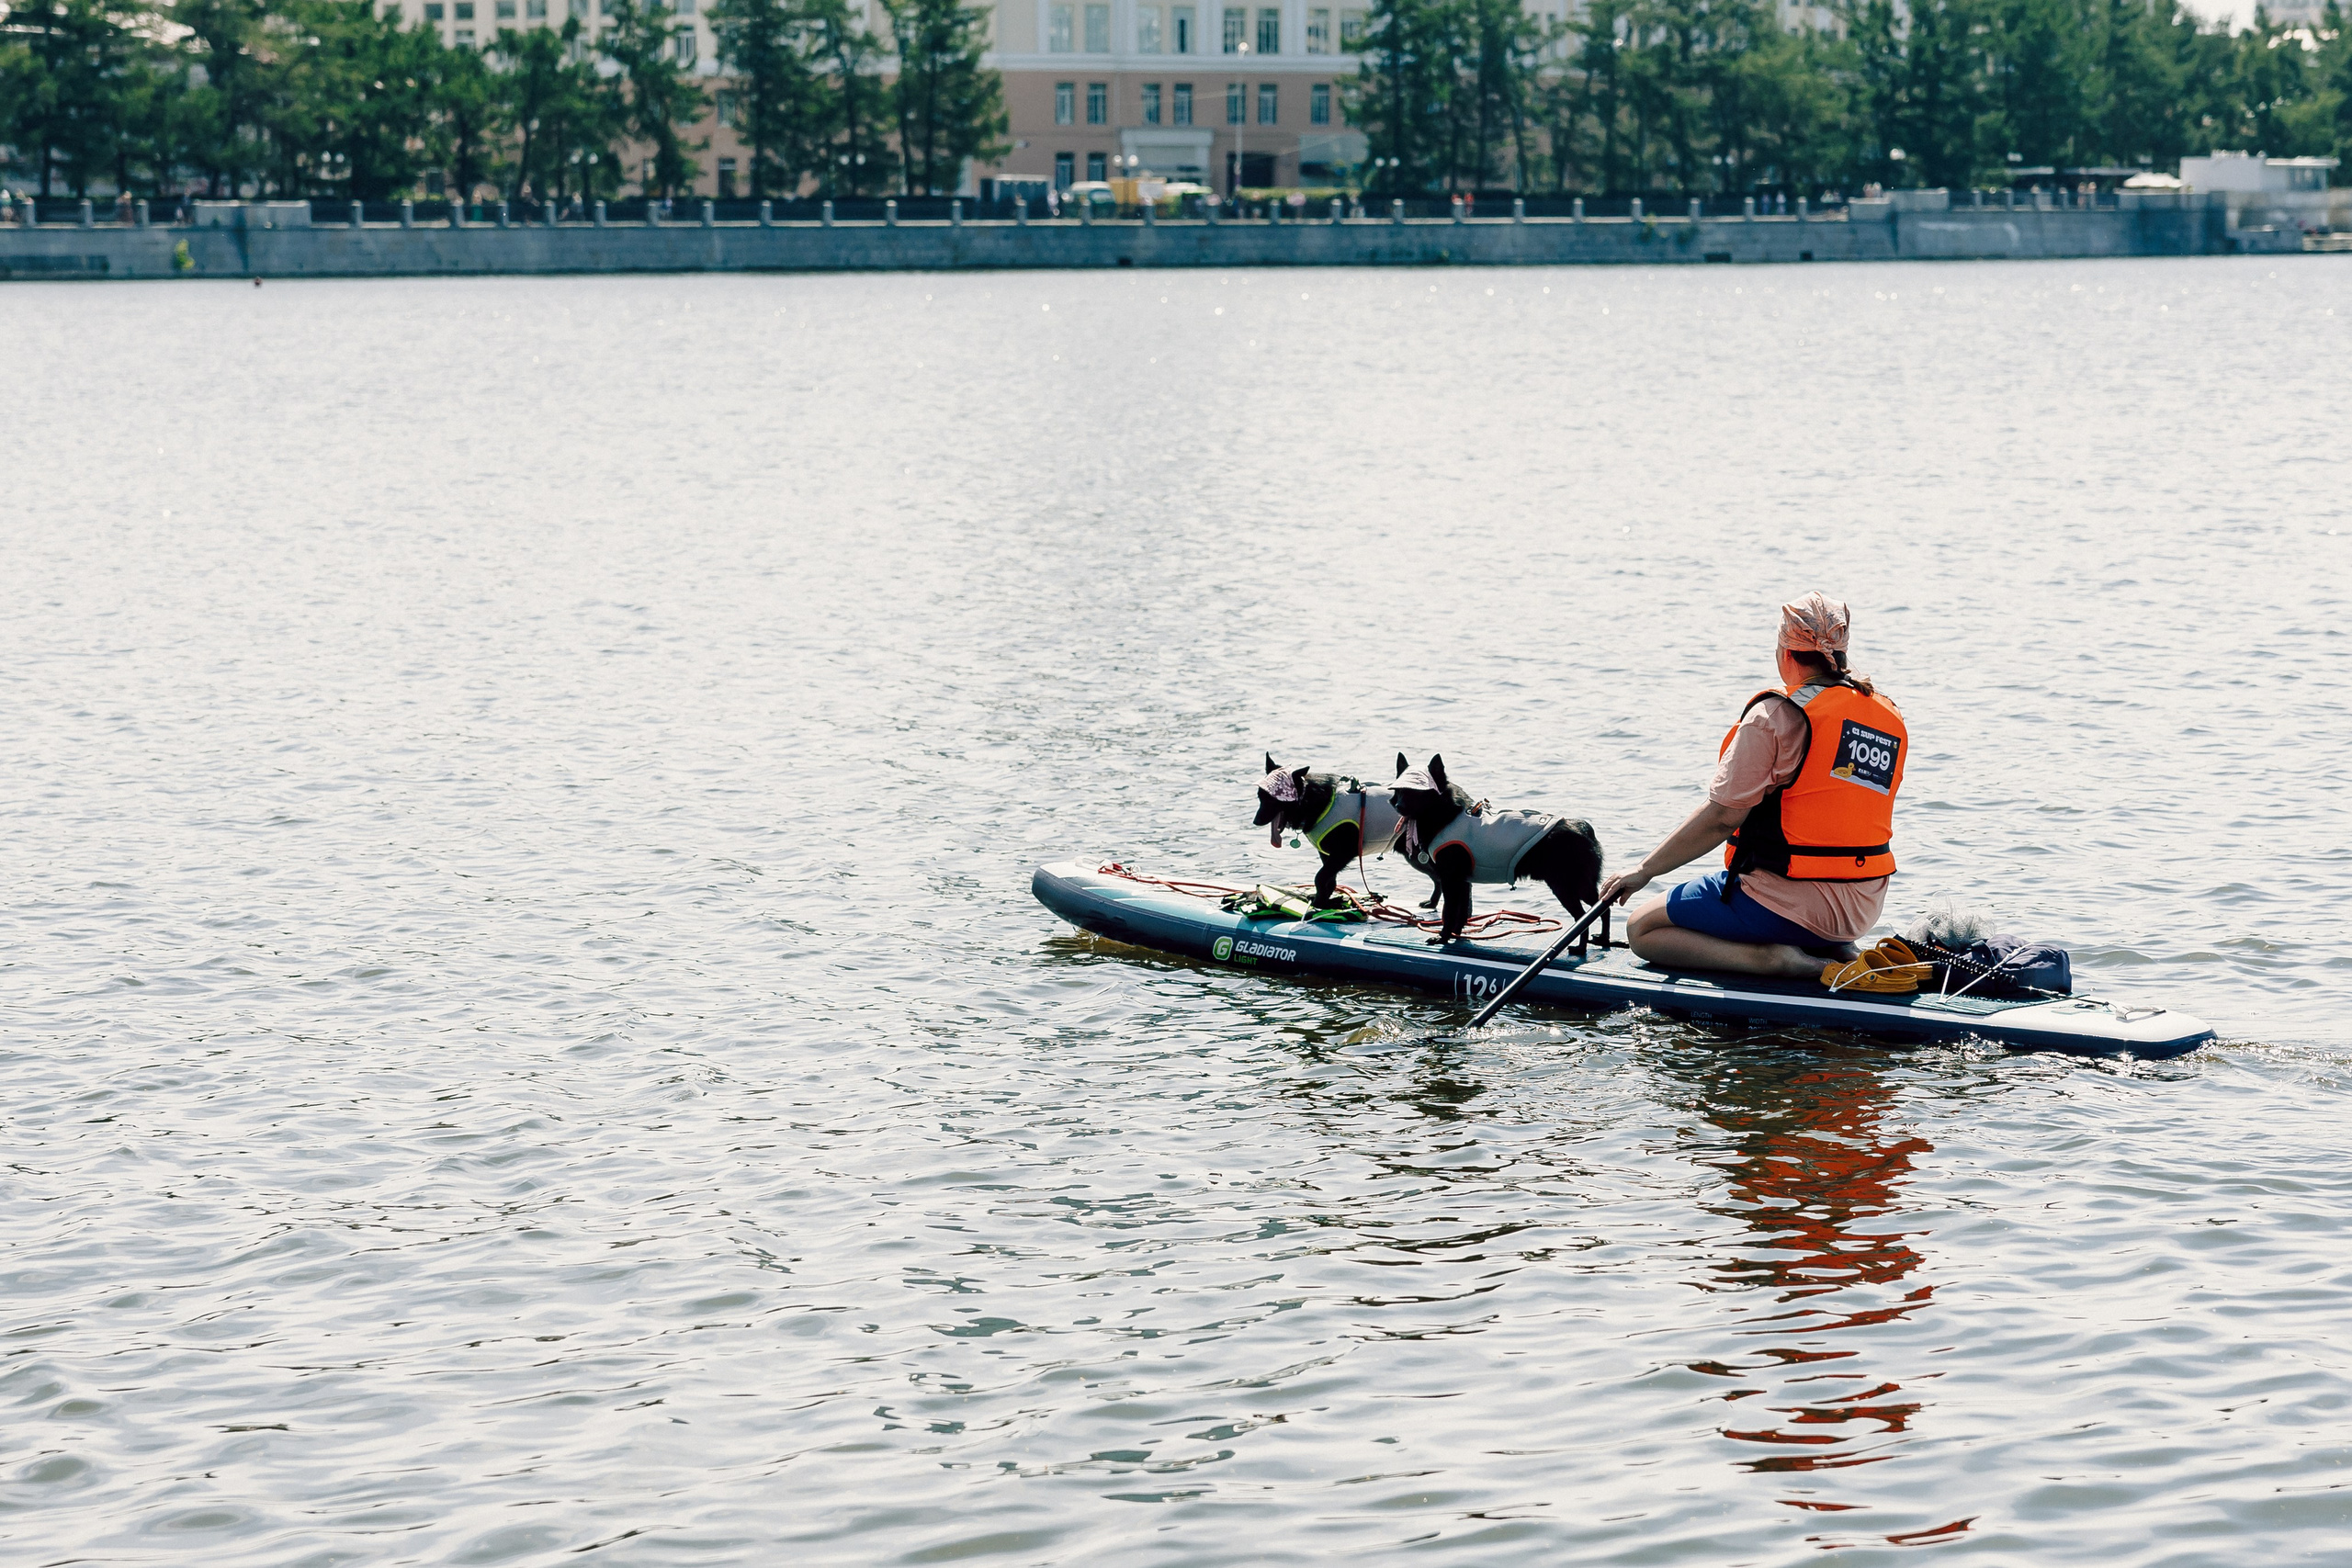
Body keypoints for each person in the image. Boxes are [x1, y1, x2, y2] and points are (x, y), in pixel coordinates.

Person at [1596, 593, 1910, 982]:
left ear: (1787, 653)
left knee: (1643, 929)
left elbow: (1722, 817)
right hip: (1862, 906)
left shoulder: (1776, 715)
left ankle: (1777, 961)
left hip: (1788, 903)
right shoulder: (1884, 713)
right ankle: (1837, 948)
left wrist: (1643, 871)